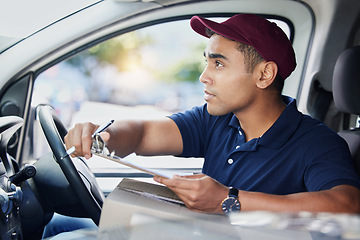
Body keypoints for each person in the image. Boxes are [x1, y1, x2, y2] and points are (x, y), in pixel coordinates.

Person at [50, 13, 360, 237]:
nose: (204, 76)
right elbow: (142, 134)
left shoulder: (316, 142)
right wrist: (102, 136)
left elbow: (347, 206)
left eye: (218, 63)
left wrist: (229, 200)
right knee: (58, 224)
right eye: (207, 61)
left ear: (264, 75)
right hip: (190, 232)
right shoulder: (217, 120)